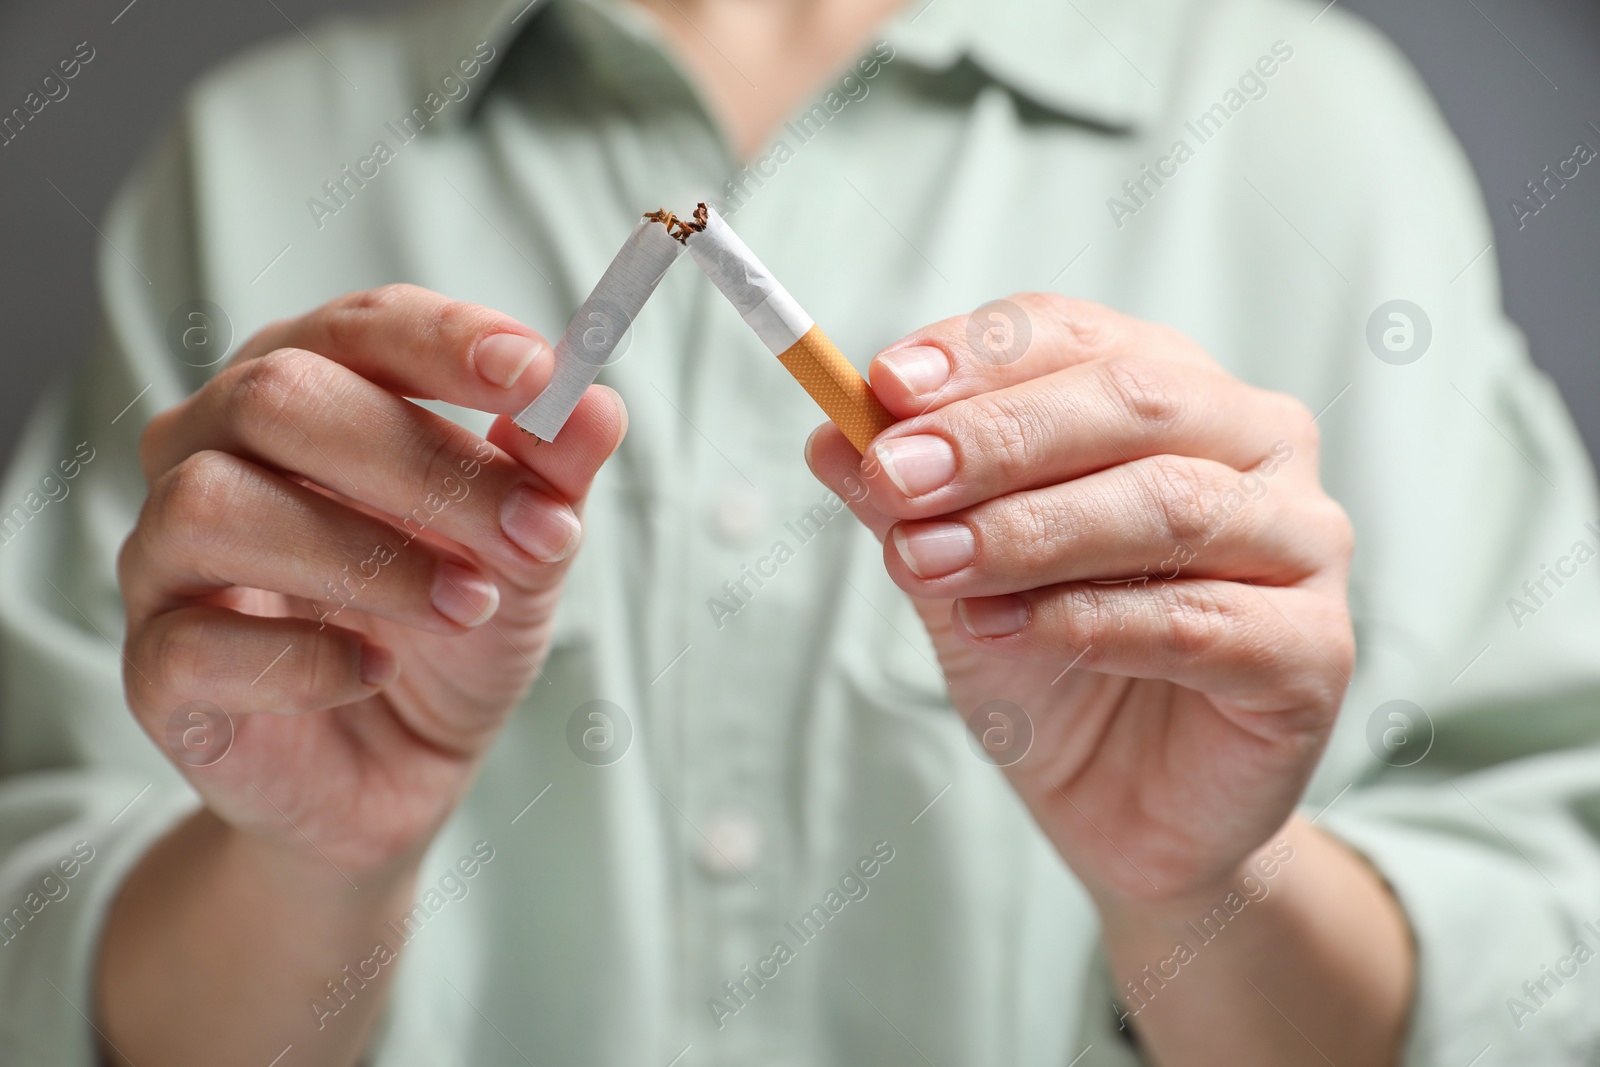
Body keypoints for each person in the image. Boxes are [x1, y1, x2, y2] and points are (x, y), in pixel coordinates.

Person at [1, 0, 1597, 1063]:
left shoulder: (1308, 130)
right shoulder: (252, 158)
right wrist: (303, 872)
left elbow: (1553, 971)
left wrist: (1207, 892)